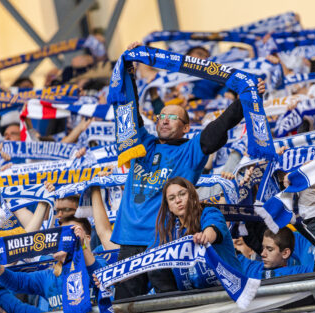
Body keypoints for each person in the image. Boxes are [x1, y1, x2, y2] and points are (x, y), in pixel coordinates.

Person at [111, 41, 266, 300]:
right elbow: (128, 109)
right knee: (125, 304)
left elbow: (219, 127)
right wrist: (130, 70)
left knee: (168, 304)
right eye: (161, 116)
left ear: (186, 127)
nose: (164, 120)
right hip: (128, 239)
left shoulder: (191, 150)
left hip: (164, 241)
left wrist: (244, 100)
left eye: (173, 117)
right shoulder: (141, 144)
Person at [0, 216, 106, 312]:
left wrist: (81, 245)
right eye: (59, 235)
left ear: (87, 238)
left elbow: (98, 274)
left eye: (70, 233)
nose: (62, 239)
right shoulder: (48, 275)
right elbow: (16, 281)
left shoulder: (101, 262)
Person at [155, 177, 240, 289]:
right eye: (172, 198)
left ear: (192, 195)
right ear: (169, 207)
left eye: (182, 194)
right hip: (192, 300)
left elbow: (213, 228)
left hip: (229, 291)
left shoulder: (210, 212)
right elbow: (152, 257)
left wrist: (204, 237)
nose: (178, 200)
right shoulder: (169, 231)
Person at [236, 228, 314, 279]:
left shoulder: (298, 272)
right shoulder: (256, 268)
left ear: (285, 253)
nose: (263, 254)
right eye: (263, 248)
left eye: (269, 249)